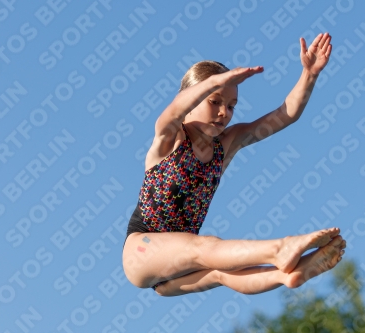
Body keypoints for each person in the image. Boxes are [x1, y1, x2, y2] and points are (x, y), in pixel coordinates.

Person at [122, 32, 346, 296]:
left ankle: (289, 275)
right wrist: (216, 80)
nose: (223, 112)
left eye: (231, 106)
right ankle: (279, 249)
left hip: (173, 276)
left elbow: (285, 115)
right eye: (214, 101)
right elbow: (174, 109)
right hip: (143, 251)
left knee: (221, 272)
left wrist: (309, 75)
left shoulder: (226, 144)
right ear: (192, 99)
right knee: (205, 247)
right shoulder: (170, 137)